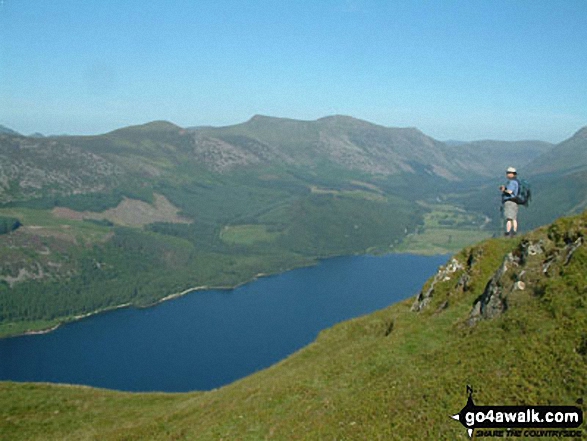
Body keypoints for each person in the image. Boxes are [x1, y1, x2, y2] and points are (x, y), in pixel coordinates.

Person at [499, 167, 519, 237]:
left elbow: (510, 191)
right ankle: (514, 231)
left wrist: (504, 190)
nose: (507, 174)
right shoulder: (516, 182)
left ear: (512, 174)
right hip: (514, 202)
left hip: (509, 201)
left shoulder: (512, 182)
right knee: (514, 217)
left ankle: (508, 232)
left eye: (508, 173)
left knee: (509, 218)